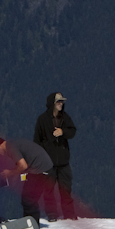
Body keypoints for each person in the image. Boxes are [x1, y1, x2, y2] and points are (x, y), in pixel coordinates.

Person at [32, 92, 77, 220]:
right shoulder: (42, 120)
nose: (61, 103)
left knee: (65, 190)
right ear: (52, 103)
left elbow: (73, 131)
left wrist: (63, 131)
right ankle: (52, 214)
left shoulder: (65, 117)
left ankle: (69, 214)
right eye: (58, 101)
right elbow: (37, 140)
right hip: (47, 162)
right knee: (49, 190)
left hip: (63, 162)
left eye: (62, 101)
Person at [0, 135, 54, 223]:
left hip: (40, 170)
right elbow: (23, 165)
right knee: (28, 197)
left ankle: (32, 224)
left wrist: (9, 173)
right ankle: (30, 222)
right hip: (42, 168)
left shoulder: (10, 148)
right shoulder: (12, 144)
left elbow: (23, 166)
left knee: (29, 198)